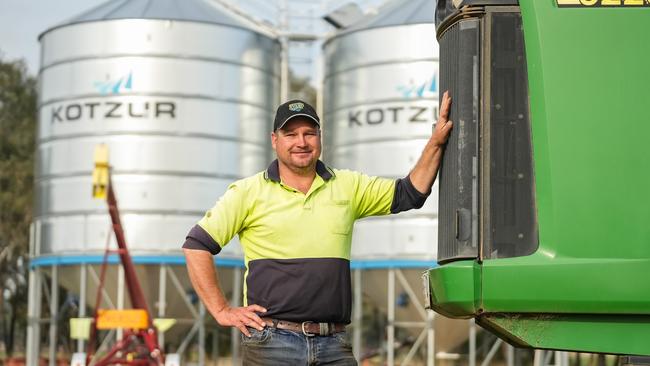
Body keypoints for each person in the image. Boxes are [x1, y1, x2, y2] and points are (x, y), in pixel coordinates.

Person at [182, 92, 453, 365]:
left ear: (320, 137)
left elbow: (410, 193)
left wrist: (436, 142)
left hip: (334, 344)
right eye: (290, 134)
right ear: (274, 140)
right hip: (272, 344)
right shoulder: (247, 192)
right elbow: (196, 245)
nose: (301, 142)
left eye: (309, 133)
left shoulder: (348, 185)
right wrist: (221, 310)